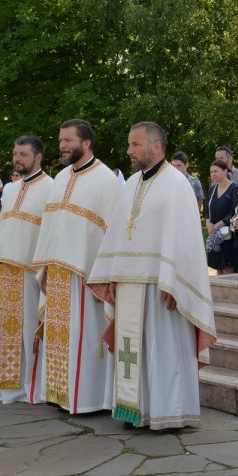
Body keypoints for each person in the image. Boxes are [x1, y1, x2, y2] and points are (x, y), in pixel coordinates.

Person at [88, 122, 217, 429]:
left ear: (156, 146)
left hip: (163, 286)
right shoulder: (131, 183)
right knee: (134, 354)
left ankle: (169, 413)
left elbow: (185, 240)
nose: (129, 151)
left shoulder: (177, 184)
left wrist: (178, 285)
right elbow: (118, 233)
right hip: (130, 284)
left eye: (135, 145)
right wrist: (113, 276)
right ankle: (138, 410)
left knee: (163, 352)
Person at [30, 119, 118, 412]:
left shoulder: (105, 180)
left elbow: (109, 235)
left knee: (85, 337)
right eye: (61, 141)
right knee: (59, 336)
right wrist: (43, 268)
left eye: (68, 140)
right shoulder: (61, 178)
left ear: (86, 143)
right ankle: (59, 394)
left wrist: (103, 275)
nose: (62, 146)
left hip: (85, 276)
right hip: (56, 274)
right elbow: (51, 228)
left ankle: (89, 399)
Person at [0, 136, 54, 405]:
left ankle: (32, 386)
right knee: (6, 331)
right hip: (6, 269)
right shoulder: (11, 190)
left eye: (23, 154)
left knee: (29, 330)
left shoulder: (51, 187)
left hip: (30, 270)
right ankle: (7, 386)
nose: (17, 159)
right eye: (15, 154)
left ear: (38, 157)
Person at [204, 160, 238, 274]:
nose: (213, 174)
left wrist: (219, 224)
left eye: (216, 171)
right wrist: (208, 223)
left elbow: (235, 211)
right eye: (211, 172)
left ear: (225, 171)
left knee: (227, 269)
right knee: (218, 268)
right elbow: (207, 210)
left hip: (228, 236)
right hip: (215, 235)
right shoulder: (212, 189)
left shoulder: (234, 189)